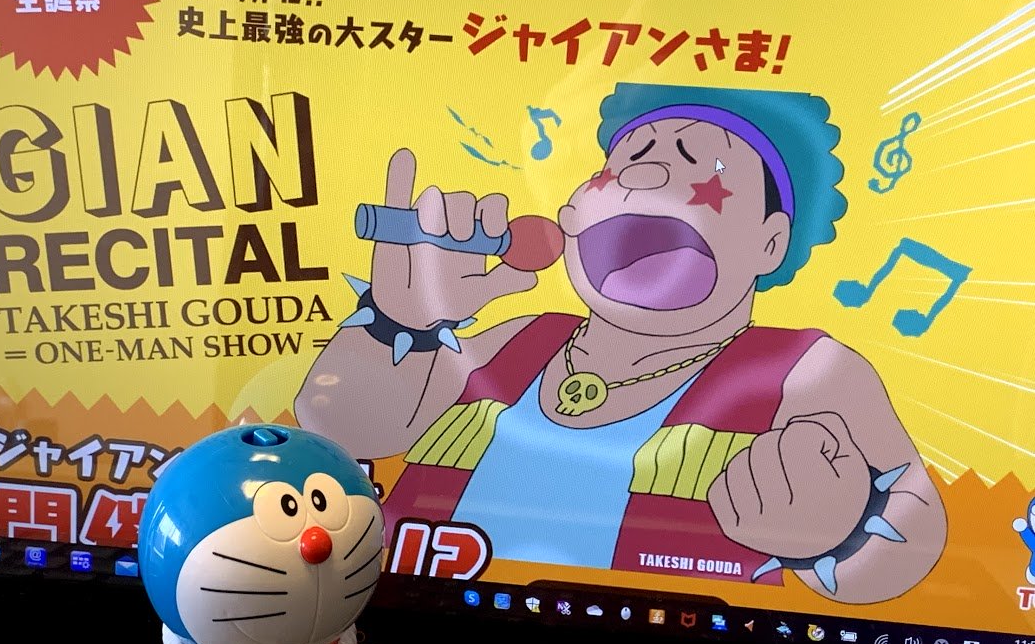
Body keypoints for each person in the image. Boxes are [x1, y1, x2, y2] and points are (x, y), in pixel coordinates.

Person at [296, 83, 947, 604]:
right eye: (627, 160)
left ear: (770, 242)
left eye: (700, 163)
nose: (650, 172)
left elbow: (913, 526)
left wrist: (843, 531)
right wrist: (398, 321)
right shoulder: (521, 339)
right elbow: (340, 428)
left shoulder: (804, 369)